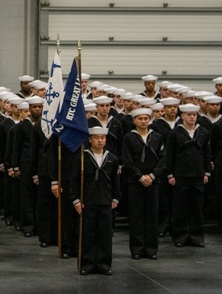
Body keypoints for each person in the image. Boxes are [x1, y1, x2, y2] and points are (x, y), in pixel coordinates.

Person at [70, 127, 120, 275]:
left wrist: (116, 197)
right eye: (96, 138)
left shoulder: (112, 158)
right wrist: (76, 200)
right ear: (90, 140)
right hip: (88, 202)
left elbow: (116, 181)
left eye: (102, 138)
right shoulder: (82, 157)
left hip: (105, 201)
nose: (100, 140)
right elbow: (74, 180)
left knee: (105, 235)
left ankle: (104, 264)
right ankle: (88, 264)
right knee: (88, 234)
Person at [120, 108, 164, 259]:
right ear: (134, 121)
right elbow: (127, 160)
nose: (144, 121)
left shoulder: (157, 137)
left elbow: (163, 159)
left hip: (153, 181)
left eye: (146, 118)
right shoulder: (129, 138)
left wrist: (152, 176)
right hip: (135, 182)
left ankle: (151, 249)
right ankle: (137, 249)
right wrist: (140, 177)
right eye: (140, 119)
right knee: (136, 216)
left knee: (152, 215)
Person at [165, 103, 211, 248]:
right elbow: (170, 155)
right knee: (180, 207)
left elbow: (206, 153)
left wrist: (206, 172)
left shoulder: (203, 132)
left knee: (196, 207)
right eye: (189, 115)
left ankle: (197, 236)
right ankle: (180, 236)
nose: (192, 117)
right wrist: (170, 174)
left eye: (194, 115)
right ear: (182, 116)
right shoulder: (175, 133)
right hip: (181, 175)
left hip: (197, 175)